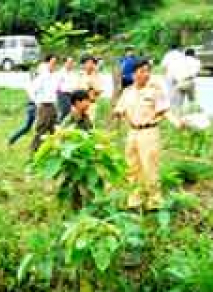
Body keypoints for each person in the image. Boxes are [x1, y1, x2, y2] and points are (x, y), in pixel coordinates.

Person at [113, 58, 184, 211]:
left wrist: (177, 122)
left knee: (150, 166)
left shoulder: (154, 91)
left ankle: (154, 202)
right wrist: (116, 122)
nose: (145, 74)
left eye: (147, 71)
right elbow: (119, 110)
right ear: (133, 74)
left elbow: (164, 111)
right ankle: (135, 200)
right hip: (132, 132)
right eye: (141, 71)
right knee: (132, 167)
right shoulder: (128, 92)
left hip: (149, 132)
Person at [30, 54, 61, 153]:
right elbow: (31, 89)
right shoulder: (43, 76)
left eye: (55, 63)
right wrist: (37, 102)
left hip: (52, 105)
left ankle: (54, 149)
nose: (54, 65)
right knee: (42, 129)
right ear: (47, 63)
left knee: (55, 128)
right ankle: (34, 149)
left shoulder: (55, 76)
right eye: (52, 63)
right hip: (44, 105)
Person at [172, 48, 201, 113]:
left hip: (179, 82)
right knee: (192, 100)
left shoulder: (179, 61)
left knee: (179, 102)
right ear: (193, 54)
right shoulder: (196, 61)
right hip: (189, 81)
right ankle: (192, 112)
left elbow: (174, 71)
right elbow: (196, 73)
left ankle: (178, 114)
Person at [77, 55, 104, 124]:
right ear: (84, 64)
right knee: (78, 125)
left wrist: (92, 86)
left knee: (89, 124)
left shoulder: (97, 76)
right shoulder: (80, 75)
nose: (90, 65)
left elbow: (100, 91)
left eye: (92, 63)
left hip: (91, 104)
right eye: (88, 63)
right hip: (79, 104)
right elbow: (75, 90)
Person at [57, 56, 78, 123]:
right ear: (65, 63)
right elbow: (57, 84)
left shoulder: (73, 74)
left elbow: (75, 85)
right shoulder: (60, 72)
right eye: (69, 62)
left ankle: (65, 125)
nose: (71, 64)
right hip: (63, 94)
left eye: (72, 62)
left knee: (73, 111)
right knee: (66, 109)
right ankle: (58, 122)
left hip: (72, 95)